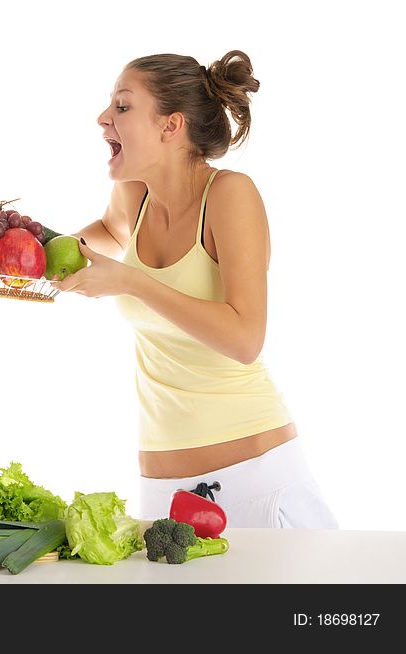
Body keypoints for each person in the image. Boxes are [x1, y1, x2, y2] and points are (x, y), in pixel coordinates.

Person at [55, 51, 337, 528]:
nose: (103, 118)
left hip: (254, 482)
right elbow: (103, 232)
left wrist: (130, 281)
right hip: (162, 493)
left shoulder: (229, 195)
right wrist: (10, 249)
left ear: (171, 126)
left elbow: (245, 339)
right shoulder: (135, 196)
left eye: (122, 107)